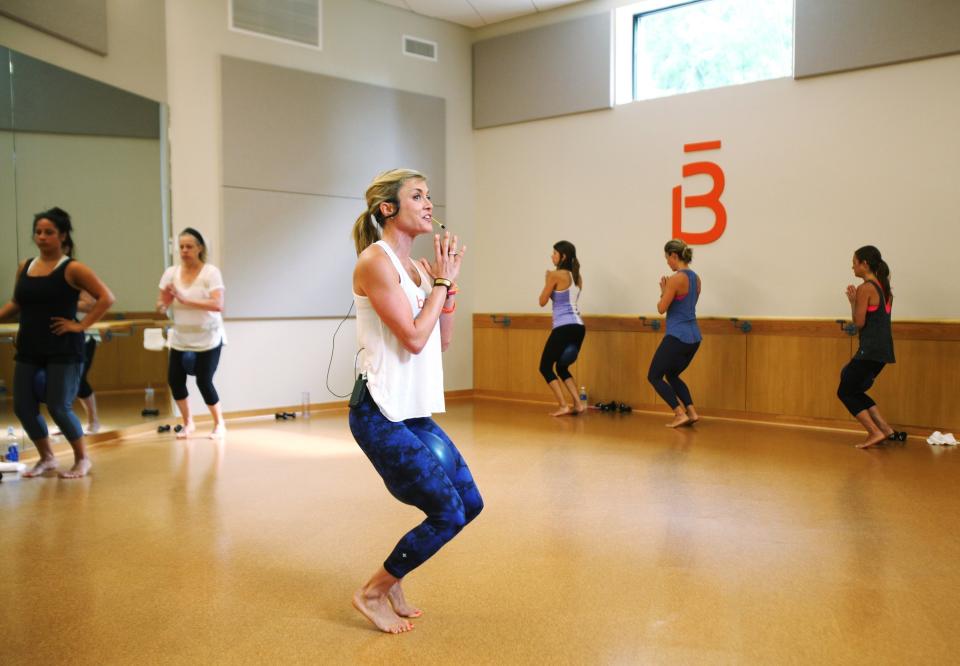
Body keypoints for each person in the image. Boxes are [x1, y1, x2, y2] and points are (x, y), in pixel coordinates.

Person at [349, 168, 483, 634]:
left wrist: (446, 288)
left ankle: (394, 577)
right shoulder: (375, 261)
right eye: (417, 196)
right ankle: (372, 591)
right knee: (447, 513)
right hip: (379, 412)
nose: (429, 204)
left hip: (412, 411)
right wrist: (440, 287)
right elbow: (410, 338)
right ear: (389, 208)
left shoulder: (418, 270)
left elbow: (438, 341)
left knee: (470, 503)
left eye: (430, 197)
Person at [0, 207, 114, 478]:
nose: (41, 237)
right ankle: (47, 457)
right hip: (29, 346)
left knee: (58, 406)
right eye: (38, 232)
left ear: (62, 236)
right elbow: (17, 303)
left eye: (48, 232)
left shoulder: (73, 268)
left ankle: (82, 459)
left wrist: (80, 325)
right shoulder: (25, 266)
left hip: (63, 348)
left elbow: (106, 298)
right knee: (23, 407)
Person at [156, 228, 227, 439]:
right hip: (180, 338)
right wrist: (164, 303)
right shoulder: (171, 273)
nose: (184, 250)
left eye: (189, 246)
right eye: (181, 247)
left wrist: (186, 300)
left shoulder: (210, 272)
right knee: (175, 381)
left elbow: (218, 304)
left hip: (209, 338)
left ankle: (219, 423)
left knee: (204, 381)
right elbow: (161, 304)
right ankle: (188, 423)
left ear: (199, 248)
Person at [838, 245, 897, 449]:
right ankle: (884, 428)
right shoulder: (885, 288)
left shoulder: (866, 288)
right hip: (883, 351)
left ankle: (874, 432)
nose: (852, 266)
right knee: (855, 388)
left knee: (845, 391)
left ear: (864, 264)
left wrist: (853, 302)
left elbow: (859, 323)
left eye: (854, 262)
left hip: (870, 349)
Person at [648, 238, 702, 428]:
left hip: (677, 337)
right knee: (672, 375)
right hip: (694, 338)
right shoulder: (696, 278)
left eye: (667, 258)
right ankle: (692, 412)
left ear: (674, 255)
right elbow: (686, 306)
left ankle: (679, 413)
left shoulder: (676, 279)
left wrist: (663, 291)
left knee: (654, 376)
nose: (667, 262)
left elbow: (662, 308)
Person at [537, 241, 586, 416]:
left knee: (545, 367)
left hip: (563, 326)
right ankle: (578, 404)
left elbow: (542, 301)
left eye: (554, 253)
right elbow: (563, 301)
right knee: (562, 367)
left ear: (563, 256)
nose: (552, 256)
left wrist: (547, 281)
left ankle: (563, 405)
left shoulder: (555, 275)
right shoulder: (577, 277)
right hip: (578, 327)